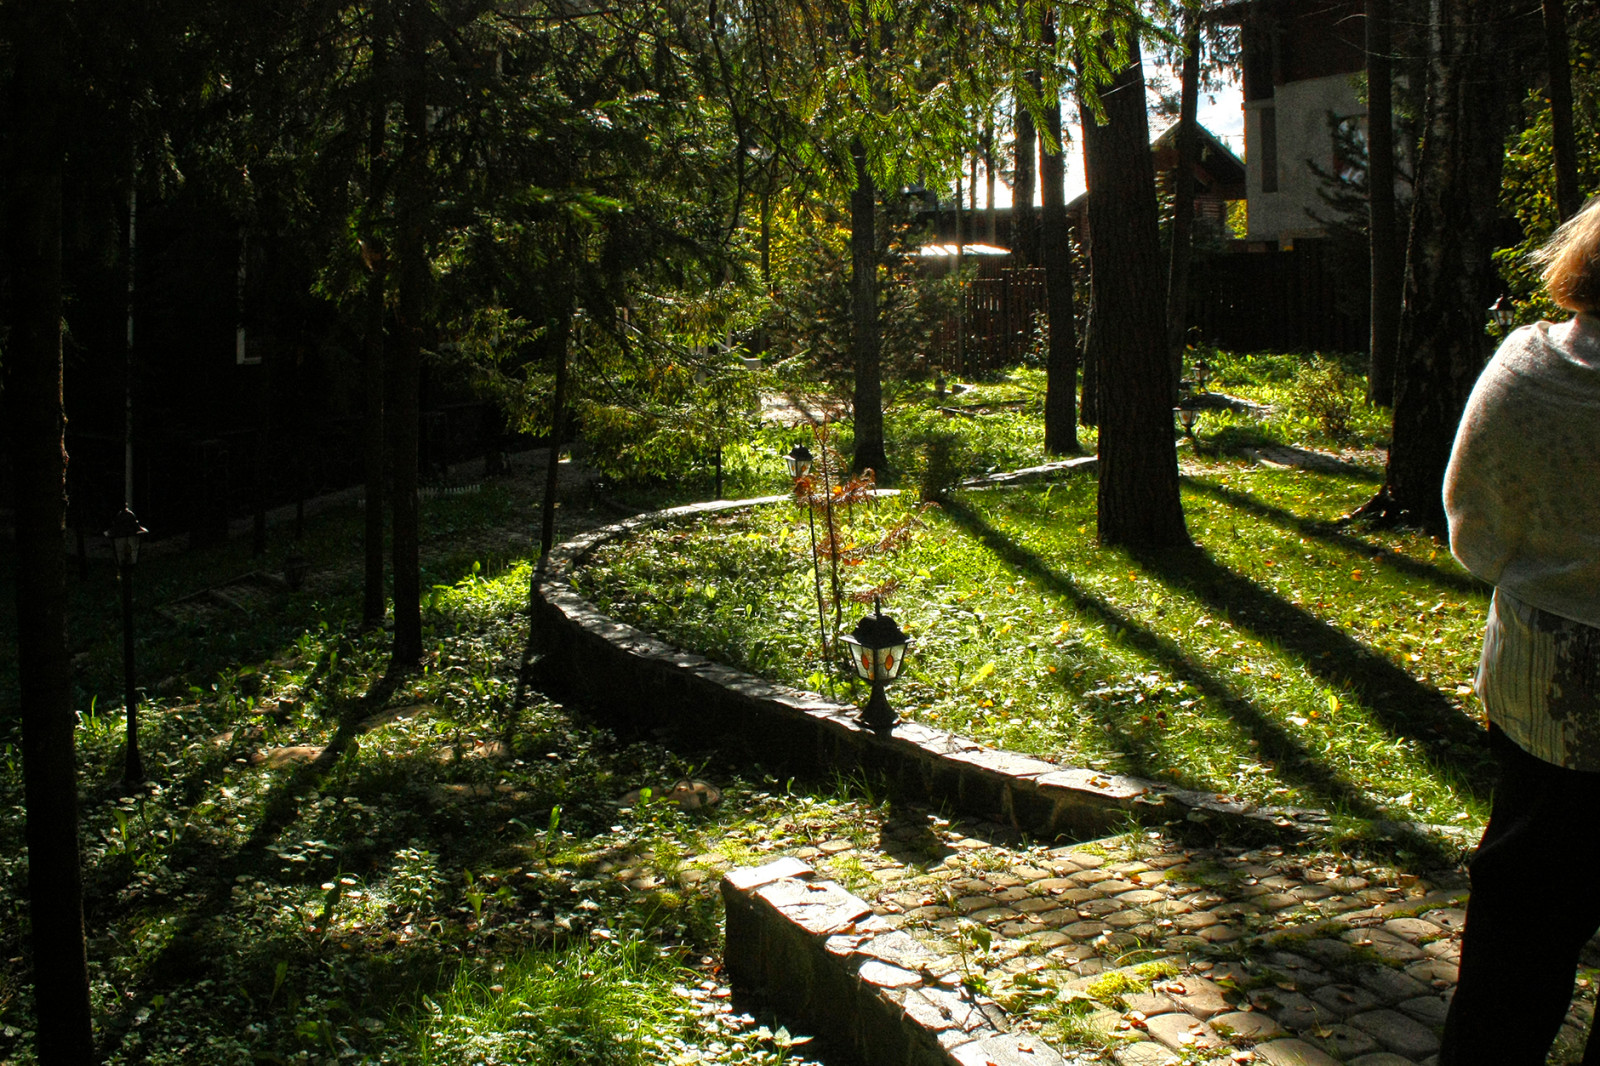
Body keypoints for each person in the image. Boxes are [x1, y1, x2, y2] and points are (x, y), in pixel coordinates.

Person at [1440, 196, 1600, 1065]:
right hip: (1545, 702)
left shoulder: (1531, 371)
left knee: (1516, 950)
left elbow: (1475, 533)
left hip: (1546, 698)